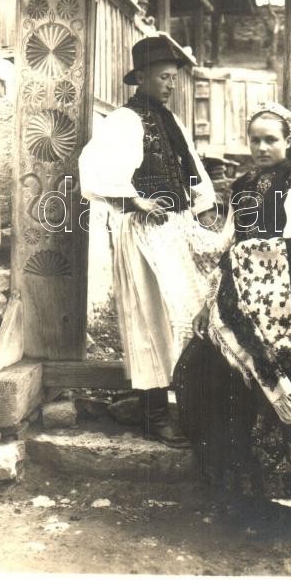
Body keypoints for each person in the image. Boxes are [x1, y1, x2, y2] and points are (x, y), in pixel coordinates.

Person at [174, 103, 291, 516]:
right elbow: (229, 243)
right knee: (216, 373)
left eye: (271, 139)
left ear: (288, 141)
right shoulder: (243, 185)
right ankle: (248, 489)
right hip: (242, 297)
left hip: (290, 298)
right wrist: (210, 297)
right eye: (255, 140)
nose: (261, 147)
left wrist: (252, 262)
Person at [79, 33, 218, 448]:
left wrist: (203, 208)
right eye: (162, 77)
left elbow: (192, 169)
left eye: (174, 78)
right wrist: (136, 200)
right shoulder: (125, 120)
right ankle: (154, 416)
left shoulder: (170, 121)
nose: (170, 85)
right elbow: (95, 168)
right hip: (142, 232)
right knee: (149, 318)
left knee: (190, 313)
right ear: (140, 77)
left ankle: (190, 406)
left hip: (175, 229)